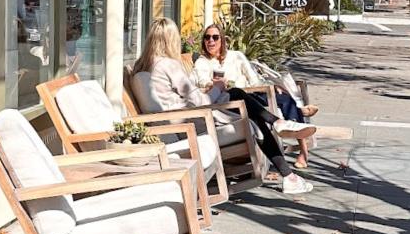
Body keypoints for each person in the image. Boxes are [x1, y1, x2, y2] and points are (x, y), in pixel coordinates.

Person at [133, 18, 312, 196]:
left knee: (238, 95)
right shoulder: (168, 64)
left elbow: (183, 96)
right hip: (192, 120)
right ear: (171, 40)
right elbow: (199, 101)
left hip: (182, 116)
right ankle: (287, 168)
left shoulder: (142, 64)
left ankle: (280, 135)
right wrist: (218, 87)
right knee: (251, 116)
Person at [191, 24, 318, 169]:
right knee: (277, 106)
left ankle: (303, 149)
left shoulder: (237, 56)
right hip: (233, 100)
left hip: (253, 92)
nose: (211, 41)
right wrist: (212, 84)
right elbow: (202, 81)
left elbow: (255, 79)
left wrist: (271, 86)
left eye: (215, 37)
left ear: (222, 40)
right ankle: (301, 113)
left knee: (284, 99)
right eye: (207, 38)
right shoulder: (203, 61)